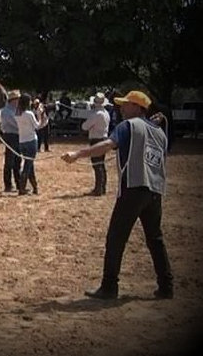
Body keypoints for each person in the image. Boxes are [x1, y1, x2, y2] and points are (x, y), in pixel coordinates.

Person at [61, 90, 172, 300]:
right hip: (155, 191)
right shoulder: (160, 132)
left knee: (116, 238)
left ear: (138, 108)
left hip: (133, 188)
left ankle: (110, 286)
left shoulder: (128, 126)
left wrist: (78, 154)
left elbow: (107, 145)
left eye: (126, 104)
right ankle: (166, 286)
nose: (121, 108)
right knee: (155, 239)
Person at [81, 92, 111, 196]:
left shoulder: (96, 114)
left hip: (96, 140)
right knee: (101, 164)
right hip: (104, 138)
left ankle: (98, 189)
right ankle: (102, 187)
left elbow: (84, 126)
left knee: (97, 164)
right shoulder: (106, 113)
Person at [15, 93, 40, 195]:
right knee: (27, 166)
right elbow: (37, 126)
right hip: (31, 141)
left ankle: (35, 187)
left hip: (22, 142)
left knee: (30, 165)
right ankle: (22, 188)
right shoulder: (29, 114)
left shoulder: (17, 114)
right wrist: (39, 115)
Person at [0, 89, 23, 193]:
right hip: (10, 136)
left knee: (18, 160)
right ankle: (8, 185)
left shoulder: (16, 109)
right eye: (18, 99)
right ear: (13, 100)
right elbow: (16, 123)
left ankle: (19, 184)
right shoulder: (6, 111)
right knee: (9, 161)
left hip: (18, 136)